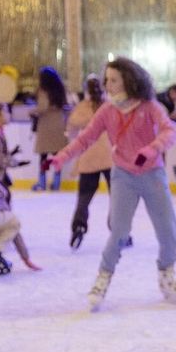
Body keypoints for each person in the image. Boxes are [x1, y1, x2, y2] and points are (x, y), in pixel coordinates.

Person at [48, 57, 176, 310]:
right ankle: (101, 281)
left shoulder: (149, 106)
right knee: (119, 233)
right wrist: (62, 157)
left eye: (114, 80)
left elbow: (170, 131)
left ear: (129, 80)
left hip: (152, 175)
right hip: (123, 176)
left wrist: (152, 148)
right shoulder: (107, 111)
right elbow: (85, 139)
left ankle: (167, 276)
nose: (108, 85)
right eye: (107, 80)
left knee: (168, 232)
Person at [67, 75, 114, 248]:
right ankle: (119, 229)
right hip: (109, 156)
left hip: (88, 156)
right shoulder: (109, 107)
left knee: (84, 197)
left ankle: (78, 226)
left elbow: (71, 127)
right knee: (116, 196)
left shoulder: (81, 108)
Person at [30, 66, 70, 192]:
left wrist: (31, 111)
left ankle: (42, 182)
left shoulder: (43, 91)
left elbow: (43, 106)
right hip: (58, 125)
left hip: (46, 126)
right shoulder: (60, 90)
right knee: (57, 155)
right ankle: (56, 182)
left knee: (43, 156)